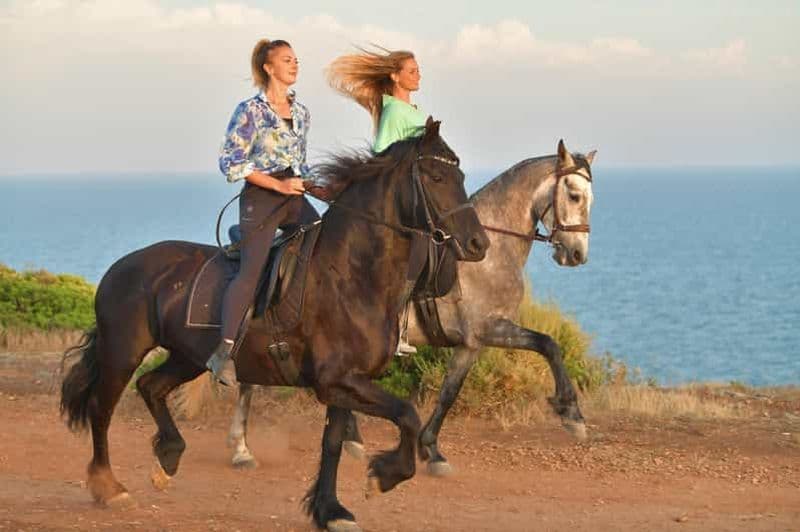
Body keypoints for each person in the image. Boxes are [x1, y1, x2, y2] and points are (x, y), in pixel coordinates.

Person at [207, 39, 319, 386]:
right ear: (269, 68)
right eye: (287, 60)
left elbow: (300, 164)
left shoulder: (302, 113)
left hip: (294, 196)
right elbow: (231, 162)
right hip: (262, 198)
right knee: (250, 272)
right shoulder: (249, 111)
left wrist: (319, 186)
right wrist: (278, 186)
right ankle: (223, 353)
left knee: (324, 243)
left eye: (296, 59)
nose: (295, 64)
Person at [327, 47, 427, 355]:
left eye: (418, 69)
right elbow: (382, 151)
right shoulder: (395, 112)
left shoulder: (409, 110)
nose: (418, 75)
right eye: (412, 70)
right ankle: (396, 327)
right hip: (401, 199)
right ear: (395, 76)